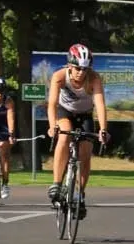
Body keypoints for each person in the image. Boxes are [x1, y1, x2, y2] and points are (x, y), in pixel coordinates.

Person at [45, 44, 109, 220]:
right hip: (64, 112)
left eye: (85, 69)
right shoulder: (59, 76)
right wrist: (52, 125)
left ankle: (80, 194)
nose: (81, 73)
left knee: (86, 151)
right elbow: (52, 104)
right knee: (64, 134)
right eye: (77, 68)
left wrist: (103, 129)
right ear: (69, 66)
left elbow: (100, 105)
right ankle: (57, 183)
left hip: (85, 114)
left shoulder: (94, 78)